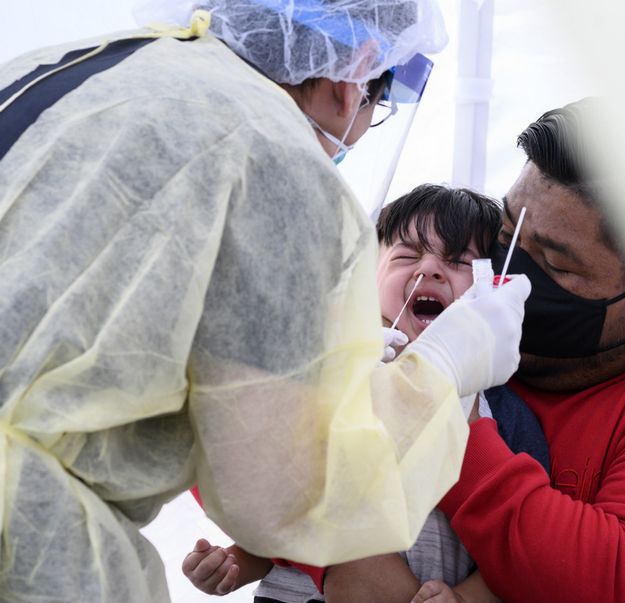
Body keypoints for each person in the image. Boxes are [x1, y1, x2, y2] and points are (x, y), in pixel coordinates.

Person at [0, 2, 532, 601]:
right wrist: (444, 365)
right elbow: (289, 495)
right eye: (377, 103)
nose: (359, 128)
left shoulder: (71, 69)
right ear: (355, 69)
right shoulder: (279, 163)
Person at [409, 99, 625, 602]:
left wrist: (447, 428)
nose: (511, 271)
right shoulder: (464, 297)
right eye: (507, 232)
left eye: (557, 265)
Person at [181, 184, 549, 603]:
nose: (428, 269)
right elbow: (287, 503)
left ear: (490, 284)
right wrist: (235, 563)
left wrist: (466, 597)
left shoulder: (501, 411)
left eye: (457, 261)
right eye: (407, 255)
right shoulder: (326, 373)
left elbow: (522, 545)